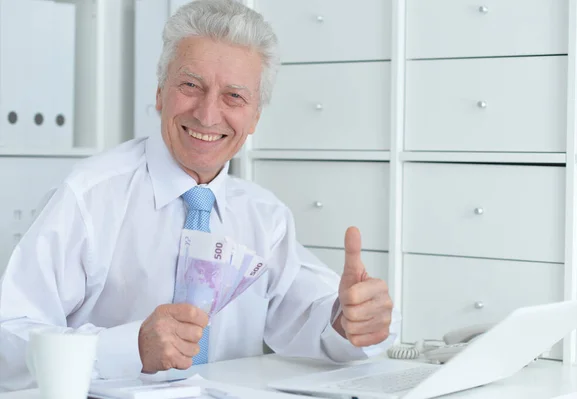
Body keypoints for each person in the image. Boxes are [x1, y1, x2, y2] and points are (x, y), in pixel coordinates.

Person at [0, 0, 397, 391]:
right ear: (160, 94)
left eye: (234, 96)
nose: (207, 115)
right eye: (191, 86)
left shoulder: (265, 218)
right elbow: (8, 340)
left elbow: (312, 317)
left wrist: (349, 321)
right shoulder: (88, 197)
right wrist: (128, 348)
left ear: (255, 116)